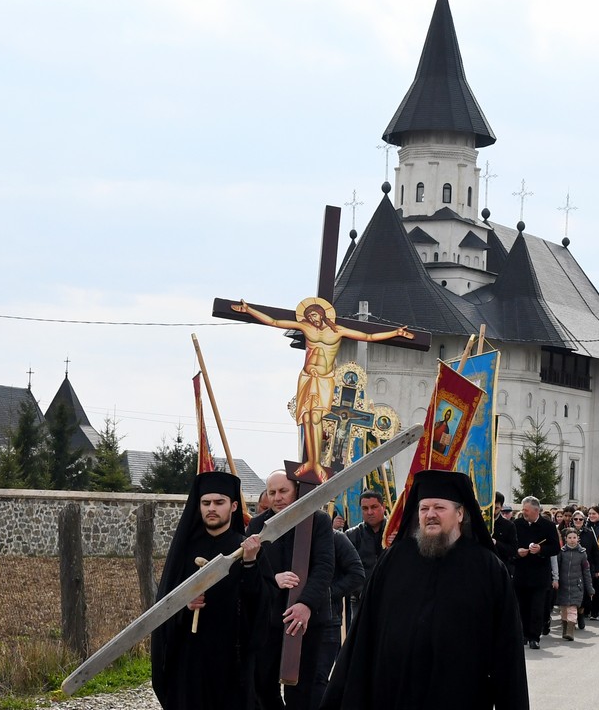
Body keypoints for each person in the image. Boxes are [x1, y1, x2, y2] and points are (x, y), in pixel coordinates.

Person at [320, 470, 528, 709]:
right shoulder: (393, 560)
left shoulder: (488, 568)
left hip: (460, 694)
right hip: (394, 694)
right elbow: (364, 634)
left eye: (439, 508)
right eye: (424, 508)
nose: (430, 514)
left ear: (460, 513)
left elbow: (507, 648)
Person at [231, 299, 415, 482]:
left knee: (316, 418)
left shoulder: (338, 331)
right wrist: (249, 310)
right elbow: (275, 322)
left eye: (314, 315)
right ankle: (310, 462)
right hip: (307, 377)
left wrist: (395, 332)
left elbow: (367, 336)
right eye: (309, 316)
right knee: (306, 418)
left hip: (325, 379)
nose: (312, 319)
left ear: (322, 314)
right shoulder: (306, 327)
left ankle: (316, 464)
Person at [152, 471, 272, 710]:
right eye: (206, 503)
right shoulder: (184, 552)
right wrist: (185, 605)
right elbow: (164, 609)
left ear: (234, 506)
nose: (211, 508)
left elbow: (262, 606)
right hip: (190, 660)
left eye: (219, 502)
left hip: (232, 660)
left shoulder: (246, 548)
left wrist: (250, 563)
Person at [247, 470, 335, 710]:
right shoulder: (257, 525)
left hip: (309, 620)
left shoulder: (319, 521)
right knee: (262, 685)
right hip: (269, 619)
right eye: (272, 492)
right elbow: (249, 568)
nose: (277, 497)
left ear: (296, 490)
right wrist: (273, 578)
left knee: (303, 690)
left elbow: (324, 566)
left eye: (283, 491)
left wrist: (306, 604)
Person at [312, 527, 364, 710]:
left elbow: (357, 573)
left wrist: (326, 594)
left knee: (318, 680)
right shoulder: (290, 535)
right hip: (293, 620)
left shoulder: (335, 538)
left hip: (328, 620)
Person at [512, 495, 561, 649]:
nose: (523, 512)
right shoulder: (516, 524)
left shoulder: (548, 526)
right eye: (523, 510)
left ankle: (534, 637)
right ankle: (523, 634)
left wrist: (541, 549)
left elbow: (555, 548)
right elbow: (510, 546)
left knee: (537, 607)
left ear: (536, 510)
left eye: (526, 510)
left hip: (539, 575)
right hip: (521, 573)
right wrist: (517, 552)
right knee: (521, 606)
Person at [344, 490, 386, 627]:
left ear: (383, 506)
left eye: (374, 507)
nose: (370, 512)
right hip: (360, 599)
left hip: (390, 597)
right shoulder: (351, 535)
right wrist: (359, 590)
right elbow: (346, 568)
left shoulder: (396, 531)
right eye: (365, 508)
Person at [557, 529, 593, 641]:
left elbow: (586, 571)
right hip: (563, 586)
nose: (572, 540)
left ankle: (570, 631)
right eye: (569, 538)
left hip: (577, 586)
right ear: (565, 539)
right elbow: (556, 568)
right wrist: (555, 581)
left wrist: (590, 588)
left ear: (578, 539)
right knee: (564, 609)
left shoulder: (582, 554)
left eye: (574, 538)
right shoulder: (561, 552)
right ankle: (565, 629)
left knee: (572, 609)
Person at [570, 510, 599, 626]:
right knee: (571, 592)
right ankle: (572, 616)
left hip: (585, 568)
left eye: (580, 519)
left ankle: (581, 613)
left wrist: (598, 569)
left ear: (584, 521)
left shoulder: (589, 533)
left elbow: (595, 552)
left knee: (584, 593)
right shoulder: (567, 532)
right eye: (576, 519)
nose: (578, 521)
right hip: (570, 567)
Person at [492, 492, 519, 573]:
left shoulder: (508, 525)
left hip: (500, 567)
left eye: (496, 508)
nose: (493, 511)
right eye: (491, 507)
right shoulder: (479, 523)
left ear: (501, 507)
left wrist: (496, 543)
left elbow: (513, 550)